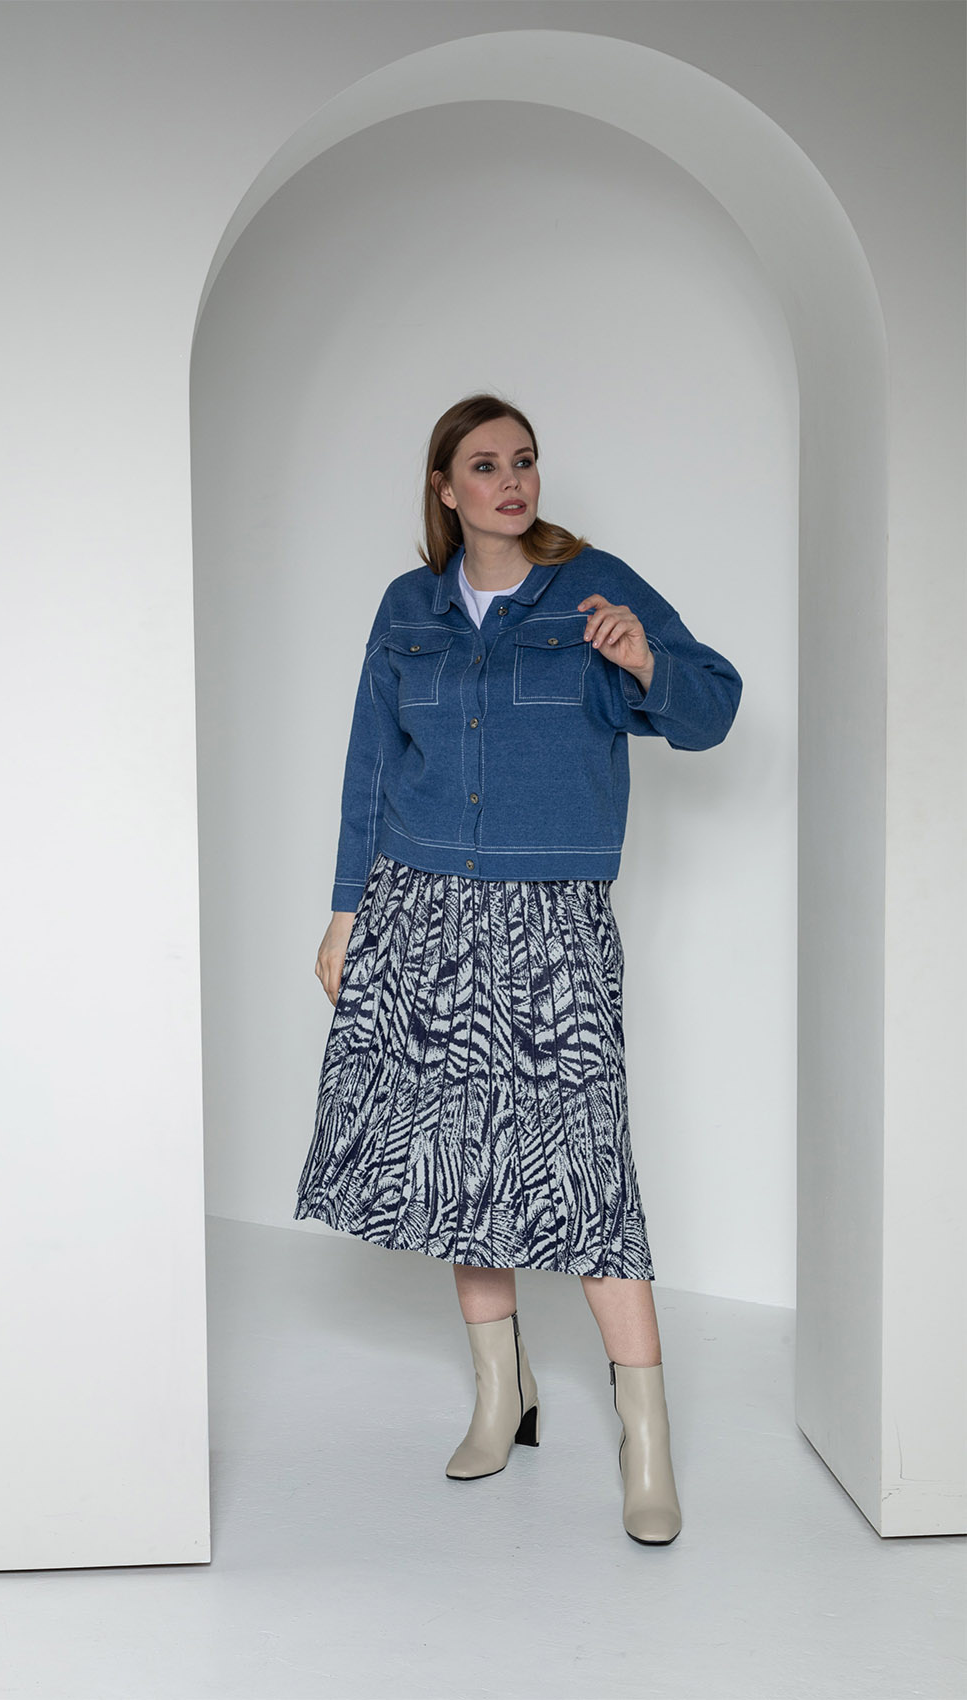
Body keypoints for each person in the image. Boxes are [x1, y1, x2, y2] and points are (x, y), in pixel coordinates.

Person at [294, 393, 742, 1544]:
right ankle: (501, 1393)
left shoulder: (592, 587)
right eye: (485, 464)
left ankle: (645, 1442)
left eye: (524, 461)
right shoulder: (407, 608)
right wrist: (346, 912)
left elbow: (710, 709)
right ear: (443, 487)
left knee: (586, 1169)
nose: (511, 481)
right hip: (422, 903)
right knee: (460, 1162)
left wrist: (645, 662)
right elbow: (368, 766)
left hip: (552, 914)